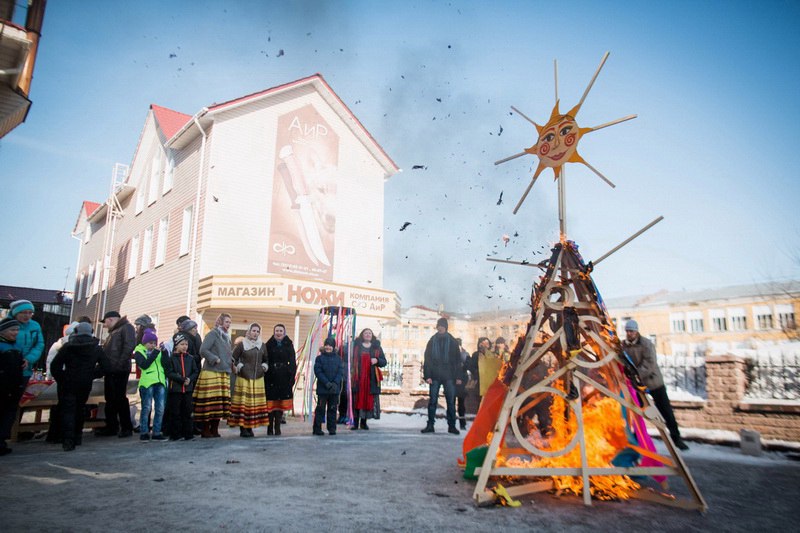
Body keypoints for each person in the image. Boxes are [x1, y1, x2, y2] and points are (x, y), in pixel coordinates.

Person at [623, 320, 689, 451]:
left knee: (666, 411)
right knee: (638, 413)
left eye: (631, 331)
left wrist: (636, 375)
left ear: (636, 331)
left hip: (653, 382)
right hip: (637, 385)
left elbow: (650, 363)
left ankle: (676, 438)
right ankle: (639, 438)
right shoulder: (624, 346)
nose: (629, 333)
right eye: (627, 331)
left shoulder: (646, 344)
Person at [50, 322, 106, 451]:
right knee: (80, 408)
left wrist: (62, 378)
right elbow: (106, 366)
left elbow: (55, 365)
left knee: (68, 410)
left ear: (76, 331)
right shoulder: (96, 348)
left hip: (68, 381)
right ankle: (77, 436)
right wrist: (92, 375)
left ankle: (68, 440)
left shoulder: (68, 346)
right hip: (85, 383)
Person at [421, 318, 463, 434]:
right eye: (439, 326)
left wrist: (458, 377)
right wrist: (427, 375)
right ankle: (430, 425)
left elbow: (457, 361)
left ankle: (452, 426)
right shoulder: (432, 340)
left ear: (446, 327)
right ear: (437, 327)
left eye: (442, 326)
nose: (440, 328)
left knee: (450, 401)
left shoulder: (453, 341)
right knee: (433, 401)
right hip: (434, 375)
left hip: (449, 376)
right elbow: (427, 359)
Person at [97, 311, 136, 438]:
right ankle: (112, 426)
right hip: (112, 369)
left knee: (119, 398)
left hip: (119, 370)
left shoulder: (126, 328)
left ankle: (126, 427)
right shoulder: (116, 331)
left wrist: (119, 365)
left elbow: (129, 346)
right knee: (110, 399)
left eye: (105, 322)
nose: (105, 325)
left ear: (111, 319)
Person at [195, 313, 233, 438]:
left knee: (219, 403)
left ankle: (215, 429)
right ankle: (205, 430)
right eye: (227, 322)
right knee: (209, 402)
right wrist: (214, 358)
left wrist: (232, 362)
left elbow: (226, 353)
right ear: (220, 322)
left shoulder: (226, 337)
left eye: (229, 322)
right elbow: (203, 349)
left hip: (223, 373)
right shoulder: (213, 334)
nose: (228, 324)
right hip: (211, 372)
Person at [229, 323, 269, 437]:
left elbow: (266, 359)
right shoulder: (242, 345)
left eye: (257, 331)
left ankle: (250, 427)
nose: (255, 333)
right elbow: (233, 358)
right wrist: (239, 366)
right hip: (244, 378)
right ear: (249, 331)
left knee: (253, 405)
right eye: (253, 331)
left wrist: (263, 367)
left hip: (258, 379)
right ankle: (243, 428)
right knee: (244, 404)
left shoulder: (262, 345)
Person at [134, 328, 168, 441]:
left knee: (160, 408)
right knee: (146, 408)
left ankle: (157, 432)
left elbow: (165, 364)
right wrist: (155, 353)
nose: (153, 345)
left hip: (160, 381)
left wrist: (164, 353)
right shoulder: (139, 351)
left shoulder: (157, 351)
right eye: (150, 343)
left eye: (154, 343)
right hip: (147, 382)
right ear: (145, 343)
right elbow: (144, 365)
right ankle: (144, 432)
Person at [349, 328, 387, 431]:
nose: (367, 335)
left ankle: (364, 423)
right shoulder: (356, 346)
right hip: (358, 378)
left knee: (367, 400)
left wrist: (377, 360)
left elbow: (384, 362)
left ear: (372, 335)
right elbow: (350, 359)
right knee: (357, 399)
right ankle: (355, 423)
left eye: (370, 333)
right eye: (365, 333)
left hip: (371, 379)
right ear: (362, 335)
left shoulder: (377, 347)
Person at [165, 332, 200, 441]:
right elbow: (169, 372)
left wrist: (190, 379)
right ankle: (176, 434)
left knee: (188, 412)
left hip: (188, 390)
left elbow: (195, 371)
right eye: (182, 344)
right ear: (176, 345)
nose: (185, 347)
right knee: (175, 412)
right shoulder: (171, 358)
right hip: (175, 390)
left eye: (186, 344)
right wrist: (181, 379)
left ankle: (188, 434)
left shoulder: (190, 358)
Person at [0, 318, 27, 456]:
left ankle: (2, 441)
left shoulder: (16, 346)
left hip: (14, 386)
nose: (15, 332)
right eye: (12, 330)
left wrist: (24, 362)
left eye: (17, 330)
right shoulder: (2, 346)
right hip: (3, 385)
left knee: (9, 414)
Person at [264, 324, 296, 436]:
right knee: (271, 404)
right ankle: (269, 428)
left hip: (283, 377)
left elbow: (292, 361)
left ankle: (277, 427)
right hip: (271, 377)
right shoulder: (268, 344)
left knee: (279, 404)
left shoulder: (288, 344)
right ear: (274, 332)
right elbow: (265, 359)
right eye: (276, 330)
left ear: (284, 332)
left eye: (280, 331)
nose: (278, 332)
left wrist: (291, 377)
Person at [313, 337, 344, 436]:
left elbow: (340, 372)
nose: (328, 347)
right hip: (323, 389)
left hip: (334, 390)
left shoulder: (338, 359)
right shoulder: (319, 358)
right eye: (326, 345)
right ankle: (317, 428)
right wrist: (326, 383)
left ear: (333, 347)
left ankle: (332, 428)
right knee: (320, 409)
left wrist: (335, 383)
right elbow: (318, 371)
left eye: (330, 345)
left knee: (332, 409)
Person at [10, 300, 44, 382]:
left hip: (26, 369)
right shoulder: (6, 325)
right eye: (24, 312)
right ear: (15, 313)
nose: (27, 315)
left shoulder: (35, 326)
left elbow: (39, 344)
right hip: (7, 368)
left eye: (30, 313)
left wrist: (29, 359)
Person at [477, 337, 502, 404]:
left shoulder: (493, 354)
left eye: (487, 343)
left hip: (490, 381)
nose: (486, 345)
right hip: (480, 381)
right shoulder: (476, 355)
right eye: (484, 343)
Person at [454, 338, 470, 430]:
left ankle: (462, 424)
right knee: (452, 403)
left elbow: (466, 366)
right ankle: (452, 423)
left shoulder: (464, 354)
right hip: (453, 381)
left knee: (461, 404)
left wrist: (459, 378)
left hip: (461, 383)